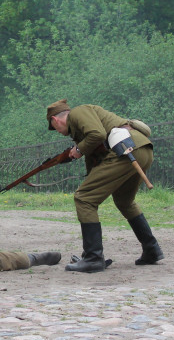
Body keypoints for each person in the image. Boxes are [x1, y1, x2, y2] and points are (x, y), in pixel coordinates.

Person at [45, 98, 163, 273]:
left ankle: (93, 258)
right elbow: (96, 153)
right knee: (125, 201)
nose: (57, 131)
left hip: (126, 150)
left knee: (84, 198)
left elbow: (97, 134)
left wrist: (78, 150)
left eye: (54, 127)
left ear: (55, 120)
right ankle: (152, 249)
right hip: (142, 149)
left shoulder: (78, 112)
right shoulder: (80, 127)